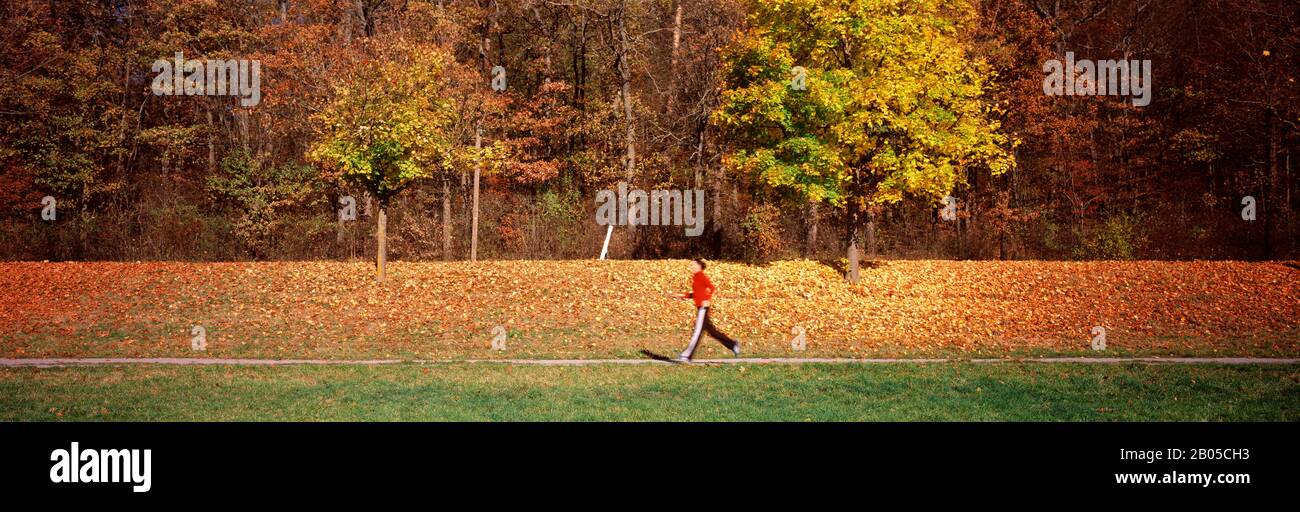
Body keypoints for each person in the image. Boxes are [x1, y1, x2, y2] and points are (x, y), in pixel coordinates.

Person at [664, 259, 741, 362]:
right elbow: (696, 294)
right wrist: (682, 295)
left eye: (694, 264)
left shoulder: (701, 276)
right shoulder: (696, 278)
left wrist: (707, 299)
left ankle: (687, 355)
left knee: (697, 332)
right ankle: (733, 345)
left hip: (703, 308)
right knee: (712, 332)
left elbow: (712, 288)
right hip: (701, 307)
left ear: (699, 266)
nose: (691, 266)